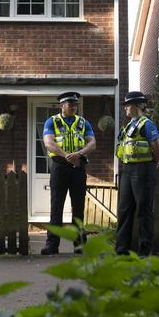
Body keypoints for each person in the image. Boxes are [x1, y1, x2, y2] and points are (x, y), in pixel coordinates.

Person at [40, 92, 96, 255]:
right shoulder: (52, 121)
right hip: (60, 166)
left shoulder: (83, 122)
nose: (73, 107)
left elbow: (92, 143)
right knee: (56, 206)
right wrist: (67, 156)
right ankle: (52, 245)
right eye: (70, 104)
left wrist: (79, 154)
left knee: (78, 207)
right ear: (62, 105)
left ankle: (79, 245)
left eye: (75, 104)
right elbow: (49, 143)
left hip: (78, 167)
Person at [115, 91, 159, 257]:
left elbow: (158, 148)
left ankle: (145, 252)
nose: (125, 108)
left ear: (136, 106)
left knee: (143, 211)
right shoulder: (129, 125)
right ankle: (121, 250)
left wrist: (153, 164)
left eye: (127, 105)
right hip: (128, 170)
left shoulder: (147, 124)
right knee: (124, 210)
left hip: (143, 170)